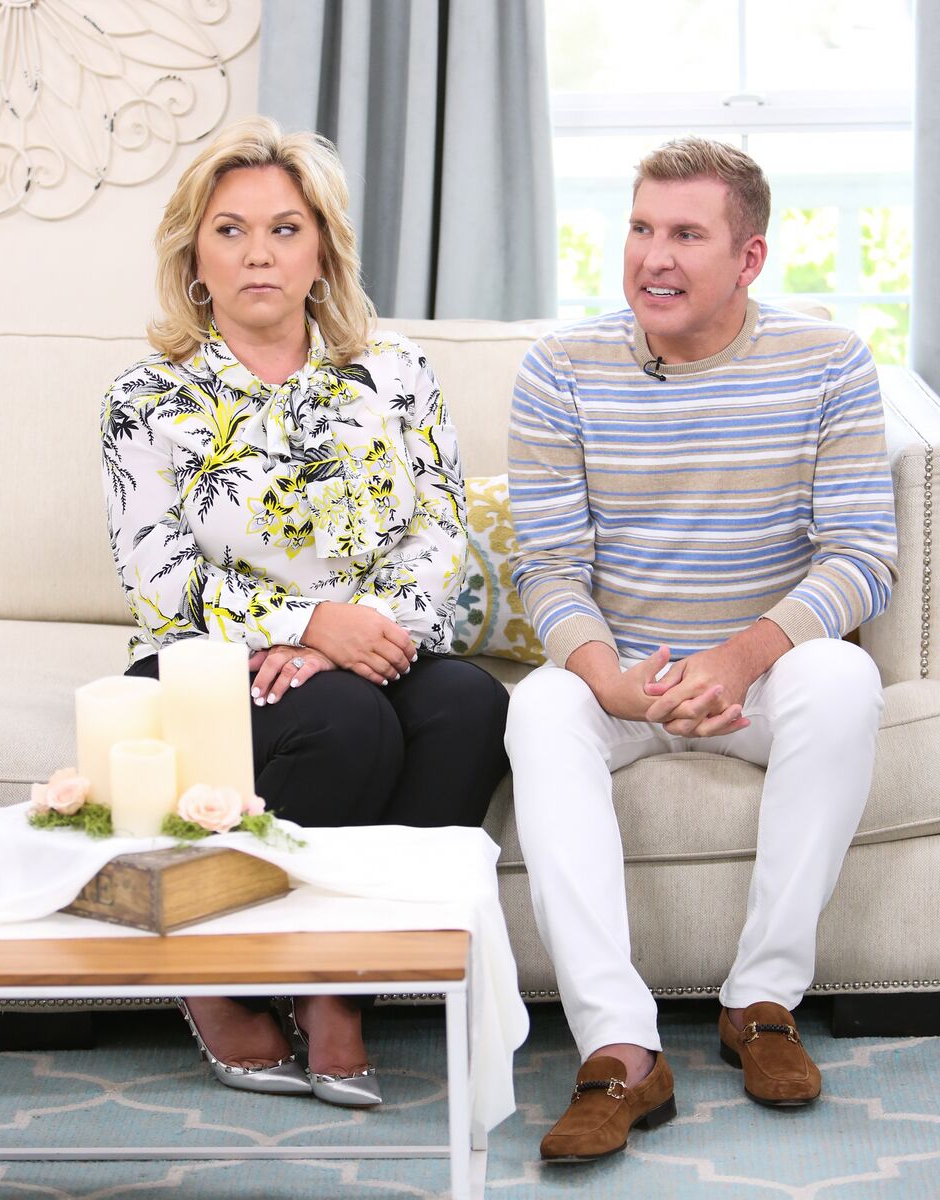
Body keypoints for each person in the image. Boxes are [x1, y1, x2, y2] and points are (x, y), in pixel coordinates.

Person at [100, 116, 509, 1107]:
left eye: (285, 228)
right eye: (230, 229)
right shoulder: (147, 397)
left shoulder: (395, 372)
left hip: (373, 640)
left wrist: (362, 631)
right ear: (193, 253)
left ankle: (338, 987)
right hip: (203, 657)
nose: (258, 254)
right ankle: (220, 977)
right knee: (345, 722)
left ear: (322, 244)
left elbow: (436, 528)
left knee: (468, 708)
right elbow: (161, 579)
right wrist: (303, 630)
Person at [505, 136, 898, 1161]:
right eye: (641, 228)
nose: (654, 257)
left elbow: (863, 556)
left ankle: (761, 1002)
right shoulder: (562, 368)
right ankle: (621, 1049)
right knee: (538, 706)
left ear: (751, 259)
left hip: (754, 680)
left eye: (686, 233)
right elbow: (546, 568)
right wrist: (614, 685)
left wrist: (740, 657)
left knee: (844, 675)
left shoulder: (829, 361)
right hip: (624, 676)